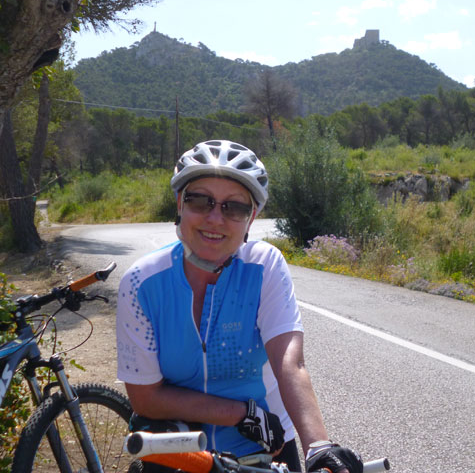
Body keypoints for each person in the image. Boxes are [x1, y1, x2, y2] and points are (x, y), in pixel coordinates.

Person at [116, 140, 363, 473]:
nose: (215, 218)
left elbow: (289, 362)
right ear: (179, 203)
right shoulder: (141, 283)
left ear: (252, 217)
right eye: (200, 200)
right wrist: (241, 414)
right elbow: (145, 398)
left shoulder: (264, 266)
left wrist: (318, 445)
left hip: (268, 446)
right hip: (180, 452)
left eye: (234, 207)